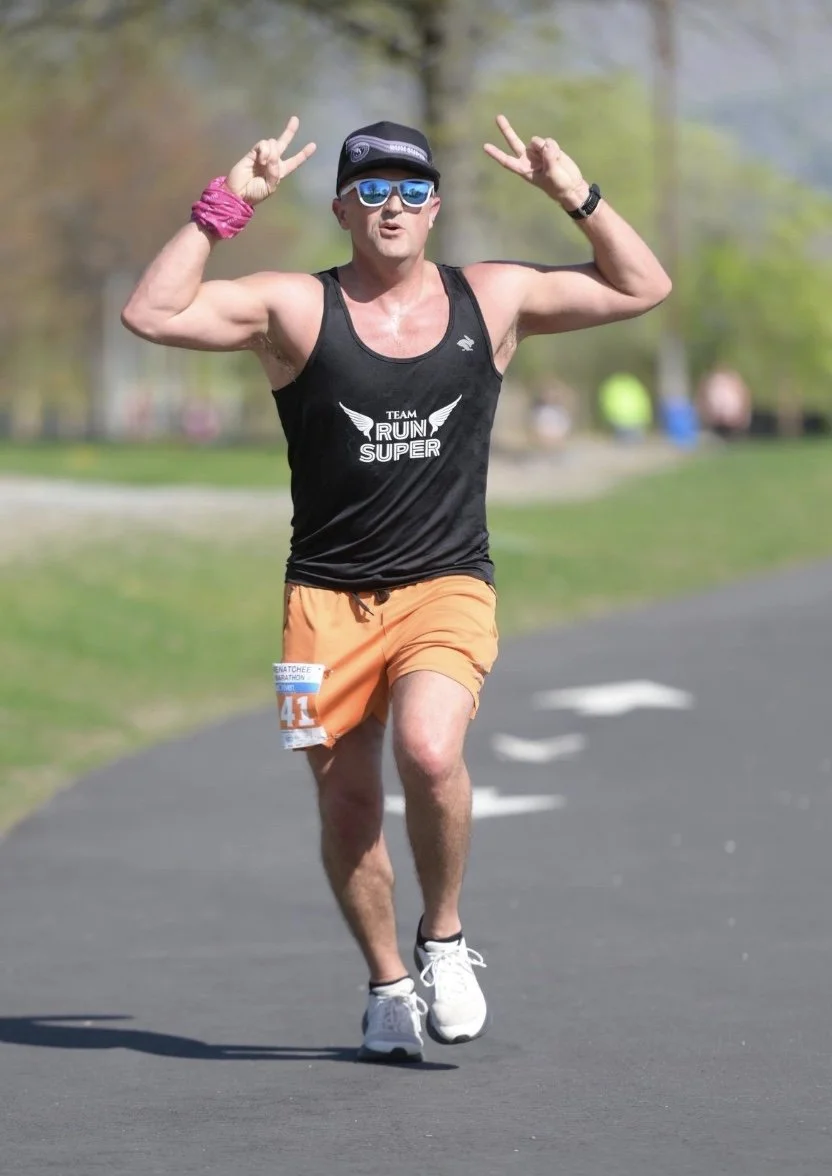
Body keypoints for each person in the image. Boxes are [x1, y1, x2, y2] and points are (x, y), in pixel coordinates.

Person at [121, 114, 671, 1063]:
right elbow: (152, 314)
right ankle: (385, 983)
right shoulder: (297, 308)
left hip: (443, 584)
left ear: (435, 207)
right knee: (347, 808)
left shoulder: (488, 298)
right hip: (323, 605)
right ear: (342, 207)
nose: (392, 205)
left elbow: (642, 285)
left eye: (411, 188)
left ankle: (445, 939)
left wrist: (572, 194)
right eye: (370, 188)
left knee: (427, 747)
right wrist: (226, 207)